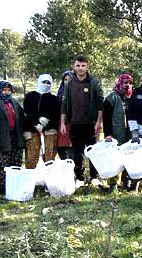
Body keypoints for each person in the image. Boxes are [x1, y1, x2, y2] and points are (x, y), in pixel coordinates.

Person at [60, 56, 105, 186]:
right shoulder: (69, 83)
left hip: (91, 123)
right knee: (76, 152)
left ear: (87, 67)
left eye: (83, 66)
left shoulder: (94, 83)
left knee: (93, 151)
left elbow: (99, 104)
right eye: (78, 66)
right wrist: (63, 123)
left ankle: (94, 177)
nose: (80, 68)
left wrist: (98, 122)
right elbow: (64, 104)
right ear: (73, 66)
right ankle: (79, 177)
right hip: (75, 123)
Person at [0, 81, 26, 196]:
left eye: (8, 90)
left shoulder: (15, 103)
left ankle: (14, 184)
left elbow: (22, 118)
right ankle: (1, 187)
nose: (6, 92)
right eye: (4, 90)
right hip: (1, 137)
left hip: (15, 136)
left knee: (15, 161)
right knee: (0, 162)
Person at [102, 73, 134, 192]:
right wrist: (107, 134)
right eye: (125, 82)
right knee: (114, 160)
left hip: (130, 133)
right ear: (120, 82)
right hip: (115, 133)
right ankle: (113, 185)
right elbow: (106, 118)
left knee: (129, 157)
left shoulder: (132, 97)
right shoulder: (111, 98)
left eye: (130, 83)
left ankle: (127, 182)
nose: (128, 85)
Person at [23, 74, 61, 169]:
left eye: (48, 83)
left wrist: (45, 124)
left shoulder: (54, 99)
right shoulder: (30, 96)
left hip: (49, 130)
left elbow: (56, 115)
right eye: (44, 82)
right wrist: (37, 122)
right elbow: (27, 111)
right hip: (31, 128)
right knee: (32, 155)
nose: (46, 84)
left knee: (50, 155)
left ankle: (48, 178)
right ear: (39, 82)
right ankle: (30, 178)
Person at [56, 70, 75, 161]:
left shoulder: (78, 92)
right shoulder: (60, 93)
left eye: (69, 79)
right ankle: (64, 160)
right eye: (65, 79)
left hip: (74, 122)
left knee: (73, 145)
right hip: (62, 122)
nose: (67, 81)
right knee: (62, 144)